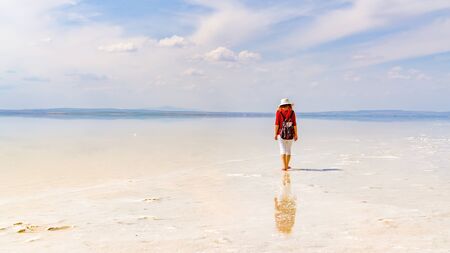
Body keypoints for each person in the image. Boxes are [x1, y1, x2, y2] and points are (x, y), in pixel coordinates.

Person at [274, 98, 298, 170]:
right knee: (288, 149)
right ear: (289, 105)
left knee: (282, 149)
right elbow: (294, 124)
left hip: (280, 133)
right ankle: (287, 165)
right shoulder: (292, 112)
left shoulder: (279, 112)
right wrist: (296, 134)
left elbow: (277, 124)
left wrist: (275, 134)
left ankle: (285, 166)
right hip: (290, 133)